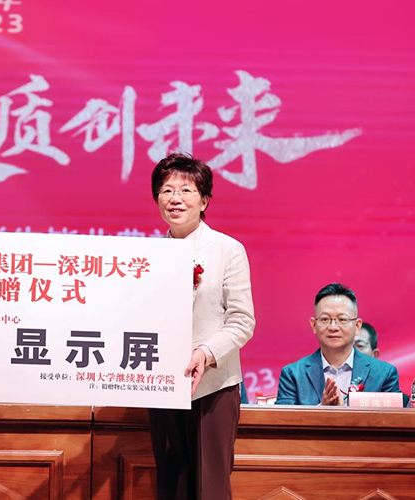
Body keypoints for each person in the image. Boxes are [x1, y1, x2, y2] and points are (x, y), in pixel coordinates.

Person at [147, 153, 255, 500]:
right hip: (162, 385)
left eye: (186, 190)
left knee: (210, 486)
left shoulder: (227, 249)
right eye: (166, 190)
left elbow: (242, 321)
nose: (175, 199)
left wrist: (205, 353)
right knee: (171, 484)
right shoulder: (147, 255)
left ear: (204, 200)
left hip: (213, 385)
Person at [275, 284, 401, 405]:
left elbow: (393, 418)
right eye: (325, 319)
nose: (333, 327)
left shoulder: (384, 374)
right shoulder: (293, 374)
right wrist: (321, 410)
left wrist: (343, 413)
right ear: (314, 325)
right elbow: (282, 419)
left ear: (357, 326)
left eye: (342, 319)